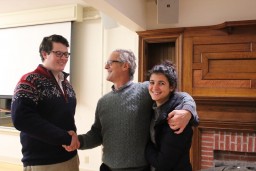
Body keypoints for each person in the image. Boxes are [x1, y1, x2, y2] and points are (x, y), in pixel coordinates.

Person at [65, 49, 199, 170]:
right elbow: (96, 134)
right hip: (107, 168)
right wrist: (79, 141)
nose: (106, 66)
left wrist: (187, 111)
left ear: (125, 65)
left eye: (110, 62)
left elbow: (182, 96)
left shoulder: (145, 89)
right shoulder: (103, 102)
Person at [11, 34, 80, 171]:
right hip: (43, 162)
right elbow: (21, 118)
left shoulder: (66, 84)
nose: (64, 58)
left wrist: (72, 141)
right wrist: (65, 138)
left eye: (66, 54)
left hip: (70, 156)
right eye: (59, 54)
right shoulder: (30, 80)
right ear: (45, 54)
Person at [145, 60, 195, 171]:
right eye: (152, 82)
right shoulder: (153, 107)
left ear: (171, 87)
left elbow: (162, 163)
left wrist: (142, 144)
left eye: (161, 83)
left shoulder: (176, 116)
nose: (155, 88)